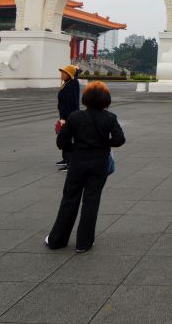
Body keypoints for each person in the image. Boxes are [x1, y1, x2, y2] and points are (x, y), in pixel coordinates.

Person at [46, 81, 125, 253]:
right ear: (106, 99)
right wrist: (104, 144)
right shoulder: (110, 118)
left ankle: (57, 239)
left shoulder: (75, 117)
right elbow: (119, 140)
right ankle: (84, 243)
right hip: (99, 163)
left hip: (78, 162)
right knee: (91, 201)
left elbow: (61, 141)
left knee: (69, 199)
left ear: (85, 98)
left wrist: (74, 149)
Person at [56, 65, 80, 170]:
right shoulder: (69, 83)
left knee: (66, 139)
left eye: (64, 73)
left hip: (69, 116)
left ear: (69, 75)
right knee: (65, 137)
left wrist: (64, 118)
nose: (61, 74)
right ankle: (66, 158)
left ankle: (70, 162)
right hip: (69, 115)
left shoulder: (71, 85)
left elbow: (68, 103)